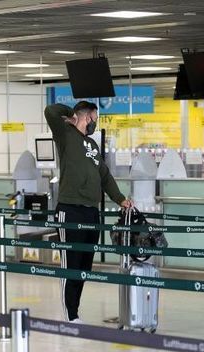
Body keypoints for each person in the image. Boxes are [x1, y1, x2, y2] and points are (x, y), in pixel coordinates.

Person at [44, 101, 132, 323]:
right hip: (70, 209)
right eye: (94, 117)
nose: (95, 122)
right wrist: (71, 114)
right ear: (86, 116)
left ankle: (75, 312)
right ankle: (70, 315)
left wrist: (120, 198)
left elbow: (105, 176)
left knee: (84, 265)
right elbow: (50, 110)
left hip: (91, 212)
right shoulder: (65, 135)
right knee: (71, 263)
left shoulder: (92, 144)